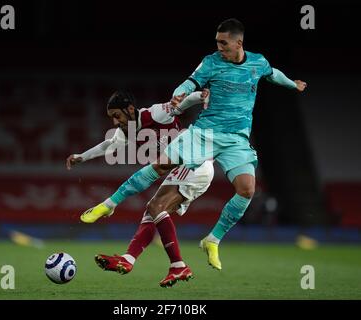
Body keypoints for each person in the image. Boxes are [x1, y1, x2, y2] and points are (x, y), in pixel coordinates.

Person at [81, 18, 308, 271]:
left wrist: (293, 84)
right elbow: (191, 81)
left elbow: (272, 74)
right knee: (161, 167)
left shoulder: (258, 62)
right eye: (217, 42)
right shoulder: (211, 62)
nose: (219, 47)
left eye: (224, 42)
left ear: (238, 42)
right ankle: (108, 205)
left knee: (246, 190)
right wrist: (179, 92)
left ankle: (212, 240)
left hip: (237, 138)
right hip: (204, 133)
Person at [67, 90, 214, 287]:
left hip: (195, 162)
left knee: (156, 208)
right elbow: (108, 145)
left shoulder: (155, 113)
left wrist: (201, 95)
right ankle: (129, 260)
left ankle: (178, 266)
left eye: (117, 116)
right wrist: (81, 157)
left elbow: (183, 102)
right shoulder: (127, 129)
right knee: (151, 211)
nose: (115, 122)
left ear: (129, 109)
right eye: (111, 118)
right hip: (179, 167)